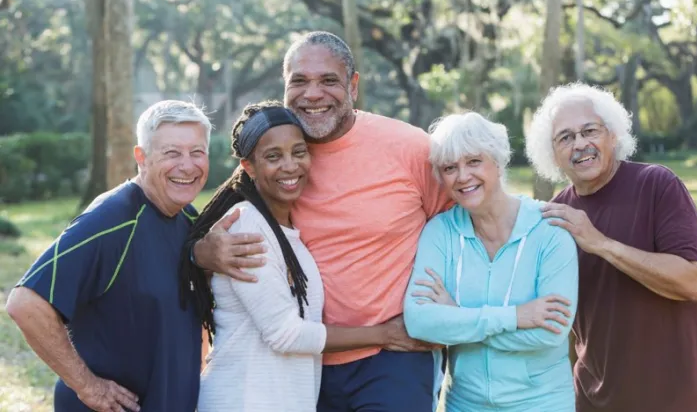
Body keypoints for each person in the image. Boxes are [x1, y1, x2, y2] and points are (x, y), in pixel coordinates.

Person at [190, 31, 452, 411]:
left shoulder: (410, 149)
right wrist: (201, 252)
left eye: (328, 80)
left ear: (353, 85)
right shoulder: (278, 153)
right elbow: (214, 222)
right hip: (305, 366)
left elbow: (464, 223)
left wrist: (453, 306)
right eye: (299, 81)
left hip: (395, 353)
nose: (312, 94)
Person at [525, 82, 697, 412]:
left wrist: (601, 244)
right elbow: (566, 319)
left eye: (590, 130)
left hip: (677, 395)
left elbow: (693, 283)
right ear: (554, 155)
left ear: (613, 135)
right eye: (565, 137)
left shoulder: (657, 185)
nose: (580, 144)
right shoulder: (556, 215)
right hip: (596, 397)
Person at [6, 100, 211, 411]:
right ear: (141, 158)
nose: (187, 165)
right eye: (171, 153)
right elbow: (26, 304)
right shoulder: (112, 221)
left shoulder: (190, 220)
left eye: (197, 152)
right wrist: (88, 386)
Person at [403, 112, 578, 412]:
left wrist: (458, 317)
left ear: (497, 162)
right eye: (450, 167)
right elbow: (419, 322)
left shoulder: (549, 230)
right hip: (464, 404)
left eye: (473, 161)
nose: (462, 176)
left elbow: (551, 330)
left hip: (542, 403)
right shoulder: (439, 233)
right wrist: (514, 316)